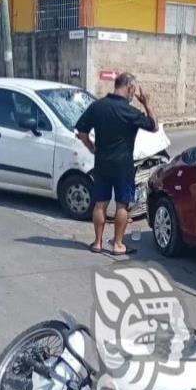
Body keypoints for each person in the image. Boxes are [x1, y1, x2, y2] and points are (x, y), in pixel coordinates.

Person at [75, 72, 158, 256]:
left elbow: (81, 132)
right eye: (133, 90)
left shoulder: (98, 106)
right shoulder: (130, 111)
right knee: (122, 205)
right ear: (128, 88)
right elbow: (154, 126)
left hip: (102, 163)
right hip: (123, 166)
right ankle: (118, 245)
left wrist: (91, 147)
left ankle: (97, 243)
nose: (132, 94)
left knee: (100, 204)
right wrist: (146, 103)